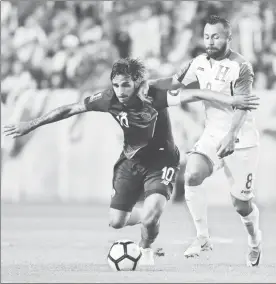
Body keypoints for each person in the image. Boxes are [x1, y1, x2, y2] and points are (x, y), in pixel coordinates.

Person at [3, 58, 259, 266]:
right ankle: (151, 220)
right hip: (130, 162)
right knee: (116, 222)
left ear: (137, 82)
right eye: (116, 85)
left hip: (162, 161)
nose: (120, 91)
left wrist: (232, 100)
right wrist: (31, 124)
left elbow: (194, 94)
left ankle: (146, 248)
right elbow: (70, 109)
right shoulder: (108, 99)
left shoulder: (154, 95)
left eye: (125, 85)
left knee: (150, 214)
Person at [143, 15, 262, 267]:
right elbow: (174, 83)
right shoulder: (198, 63)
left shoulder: (241, 67)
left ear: (229, 38)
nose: (210, 41)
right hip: (212, 135)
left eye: (216, 36)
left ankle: (254, 239)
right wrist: (147, 84)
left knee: (241, 205)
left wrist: (231, 135)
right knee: (192, 175)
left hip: (242, 139)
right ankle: (202, 238)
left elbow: (242, 105)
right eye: (207, 36)